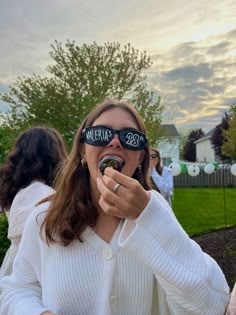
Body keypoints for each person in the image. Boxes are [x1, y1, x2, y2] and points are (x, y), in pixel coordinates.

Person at [0, 100, 229, 315]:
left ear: (140, 157)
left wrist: (147, 215)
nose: (115, 142)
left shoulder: (155, 214)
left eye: (130, 137)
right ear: (82, 150)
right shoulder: (44, 218)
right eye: (101, 134)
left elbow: (211, 303)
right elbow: (16, 289)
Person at [0, 126, 67, 278]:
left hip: (13, 264)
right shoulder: (43, 194)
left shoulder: (15, 190)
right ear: (54, 156)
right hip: (34, 269)